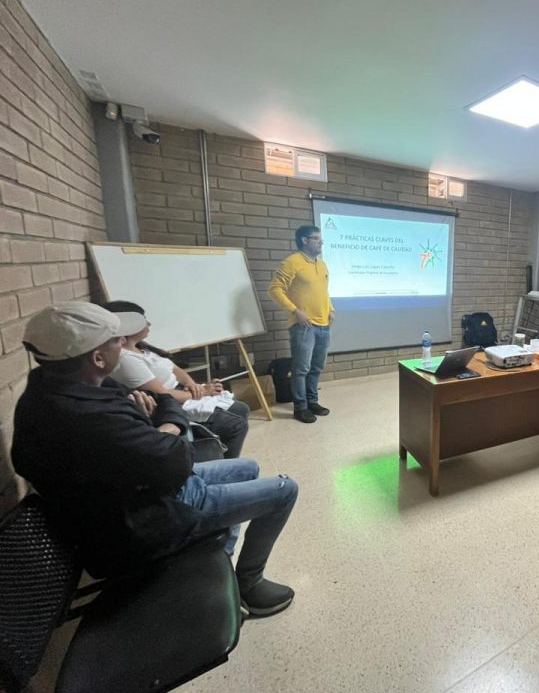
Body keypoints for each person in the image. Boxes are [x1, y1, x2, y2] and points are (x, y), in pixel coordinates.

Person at [12, 302, 299, 617]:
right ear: (97, 357)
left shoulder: (52, 388)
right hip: (147, 519)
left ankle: (219, 574)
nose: (123, 344)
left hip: (141, 493)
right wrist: (168, 426)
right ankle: (249, 583)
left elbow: (157, 421)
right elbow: (177, 458)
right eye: (116, 340)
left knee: (248, 468)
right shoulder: (86, 416)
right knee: (285, 490)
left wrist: (155, 427)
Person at [101, 300, 250, 459]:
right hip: (171, 405)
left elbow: (176, 369)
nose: (148, 324)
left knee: (241, 408)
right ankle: (225, 466)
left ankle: (223, 455)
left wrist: (193, 386)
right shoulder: (125, 359)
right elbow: (162, 394)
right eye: (142, 320)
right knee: (236, 426)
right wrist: (203, 392)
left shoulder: (142, 348)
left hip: (183, 393)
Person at [268, 225, 335, 424]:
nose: (321, 242)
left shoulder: (322, 264)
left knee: (316, 367)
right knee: (301, 369)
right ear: (304, 240)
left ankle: (312, 401)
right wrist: (295, 311)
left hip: (324, 323)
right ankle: (301, 407)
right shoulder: (292, 262)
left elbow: (323, 291)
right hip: (304, 326)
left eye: (321, 239)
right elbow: (274, 289)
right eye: (316, 239)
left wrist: (331, 308)